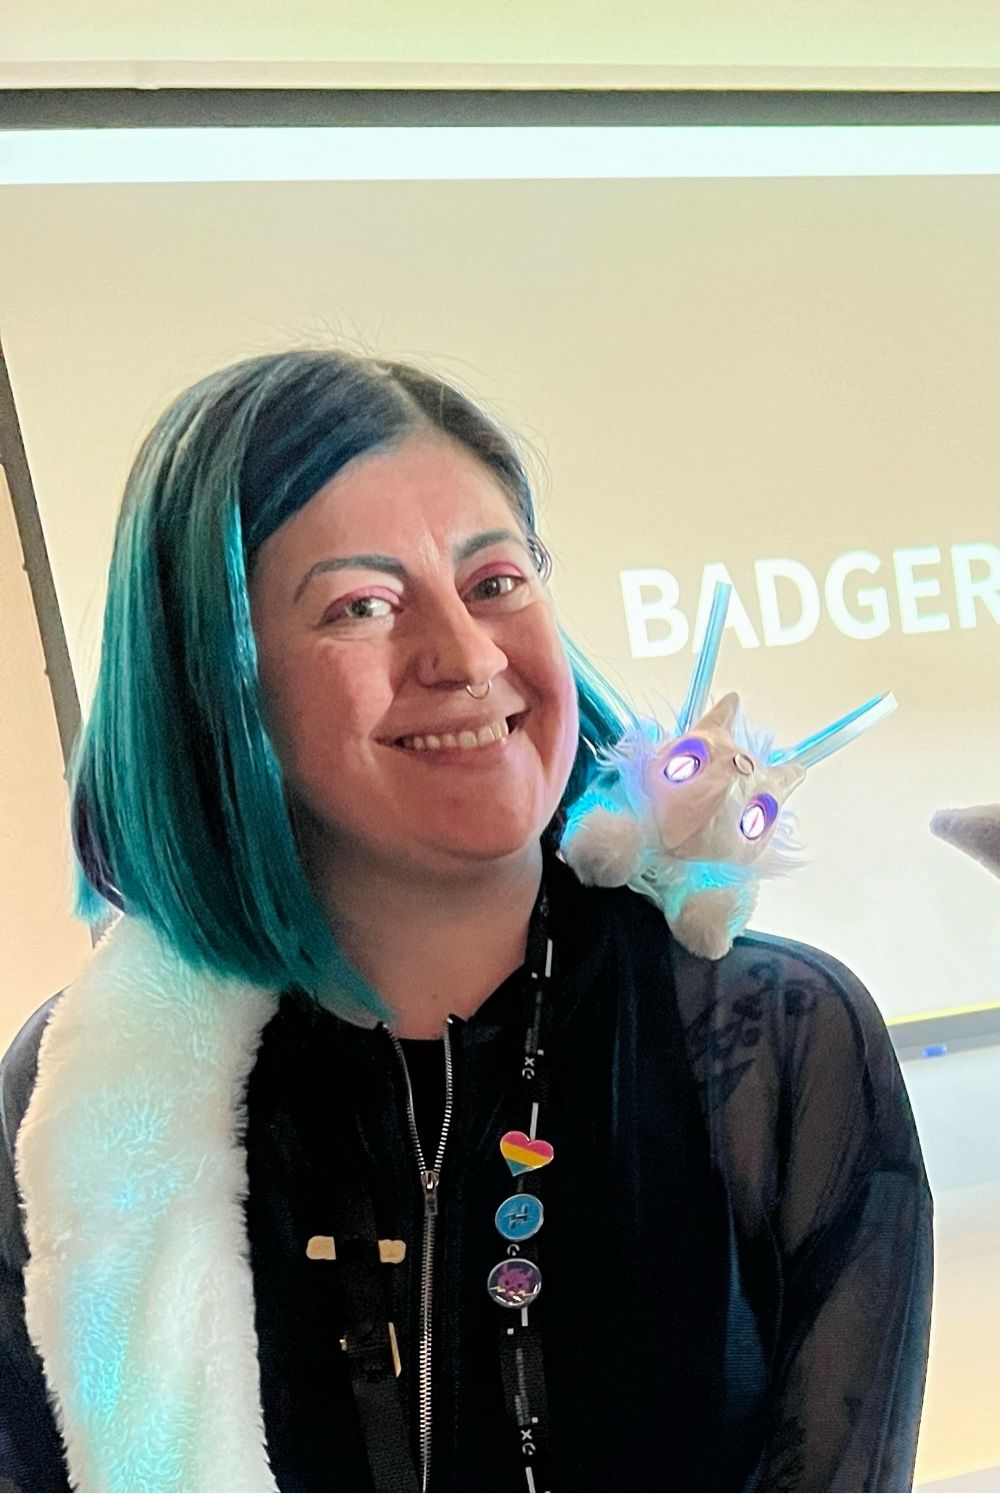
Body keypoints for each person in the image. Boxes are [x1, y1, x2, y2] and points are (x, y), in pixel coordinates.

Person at [0, 351, 932, 1491]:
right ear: (219, 681)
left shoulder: (779, 1041)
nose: (467, 655)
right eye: (362, 606)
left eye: (494, 581)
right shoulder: (86, 1107)